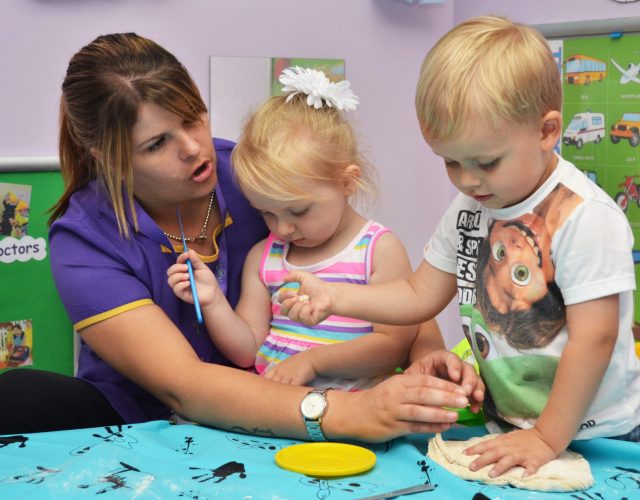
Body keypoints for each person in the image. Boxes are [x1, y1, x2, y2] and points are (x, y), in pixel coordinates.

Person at [0, 32, 479, 440]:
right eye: (156, 144)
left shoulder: (253, 177)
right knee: (19, 396)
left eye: (193, 117)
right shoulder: (84, 239)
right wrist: (347, 412)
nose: (193, 149)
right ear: (106, 156)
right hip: (149, 421)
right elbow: (183, 386)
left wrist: (426, 355)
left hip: (288, 399)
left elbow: (385, 286)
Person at [281, 15, 640, 475]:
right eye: (451, 161)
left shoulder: (585, 217)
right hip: (516, 428)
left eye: (486, 162)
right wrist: (338, 297)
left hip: (597, 434)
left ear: (547, 131)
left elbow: (597, 338)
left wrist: (548, 436)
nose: (468, 179)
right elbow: (418, 295)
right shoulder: (471, 204)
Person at [168, 67, 428, 391]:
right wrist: (212, 302)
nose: (283, 228)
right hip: (281, 411)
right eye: (266, 213)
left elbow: (392, 347)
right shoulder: (264, 257)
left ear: (346, 182)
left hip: (359, 409)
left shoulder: (377, 250)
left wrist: (313, 361)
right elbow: (249, 349)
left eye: (298, 210)